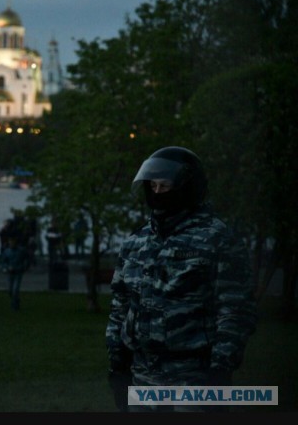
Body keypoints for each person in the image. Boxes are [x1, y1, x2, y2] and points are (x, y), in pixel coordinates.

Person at [105, 146, 258, 413]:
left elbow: (235, 309)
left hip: (194, 378)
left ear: (187, 187)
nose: (156, 192)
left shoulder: (217, 239)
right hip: (142, 376)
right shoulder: (136, 242)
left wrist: (221, 368)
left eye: (164, 185)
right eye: (152, 185)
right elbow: (120, 304)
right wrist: (117, 360)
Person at [0, 234, 31, 311]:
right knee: (10, 289)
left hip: (18, 272)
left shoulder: (21, 251)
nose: (11, 243)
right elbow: (3, 262)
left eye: (13, 241)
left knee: (15, 289)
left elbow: (27, 259)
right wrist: (6, 268)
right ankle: (16, 299)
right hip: (10, 272)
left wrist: (24, 267)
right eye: (10, 241)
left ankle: (14, 305)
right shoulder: (7, 251)